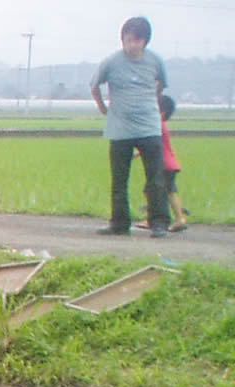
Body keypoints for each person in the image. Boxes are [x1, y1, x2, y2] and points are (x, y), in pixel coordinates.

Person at [91, 15, 170, 237]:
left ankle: (160, 222)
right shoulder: (111, 62)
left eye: (136, 40)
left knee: (155, 177)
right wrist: (104, 109)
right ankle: (119, 222)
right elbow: (94, 86)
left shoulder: (155, 61)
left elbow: (161, 85)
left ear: (145, 41)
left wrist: (149, 103)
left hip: (149, 127)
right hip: (120, 128)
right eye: (127, 39)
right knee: (119, 178)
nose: (131, 44)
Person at [139, 93, 188, 232]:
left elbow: (151, 144)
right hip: (170, 163)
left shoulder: (157, 125)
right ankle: (179, 218)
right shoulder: (162, 126)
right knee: (169, 191)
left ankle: (155, 219)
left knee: (153, 190)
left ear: (162, 112)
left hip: (163, 164)